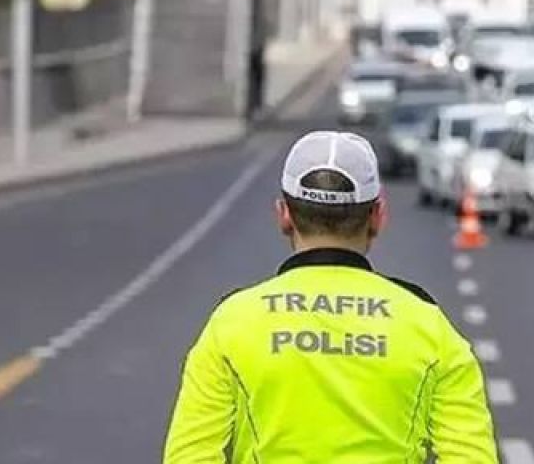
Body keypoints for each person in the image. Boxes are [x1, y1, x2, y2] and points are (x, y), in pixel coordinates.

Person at [164, 131, 498, 463]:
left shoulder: (232, 324)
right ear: (378, 216)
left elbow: (188, 456)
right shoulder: (429, 327)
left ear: (284, 214)